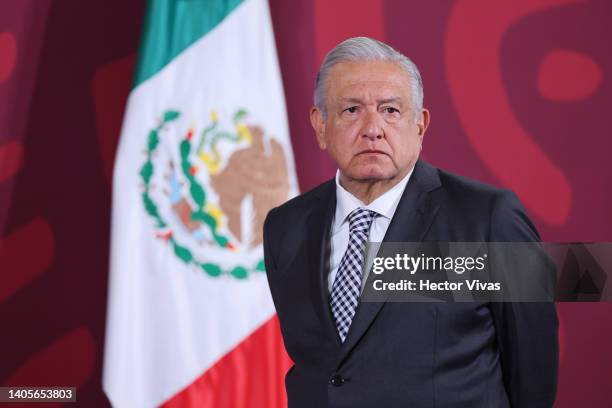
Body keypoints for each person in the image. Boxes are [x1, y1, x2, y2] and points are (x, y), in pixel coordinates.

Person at [263, 37, 558, 408]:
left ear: (420, 125)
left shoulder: (488, 218)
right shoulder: (285, 226)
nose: (373, 128)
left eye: (390, 110)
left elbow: (533, 371)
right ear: (320, 125)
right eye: (351, 110)